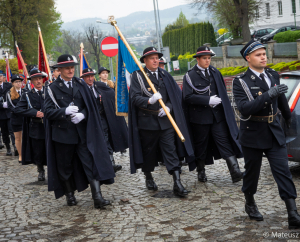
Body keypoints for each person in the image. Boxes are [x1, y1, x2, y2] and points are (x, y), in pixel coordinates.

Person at [232, 39, 300, 228]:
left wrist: (287, 118)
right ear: (248, 58)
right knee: (252, 174)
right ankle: (250, 202)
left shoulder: (272, 74)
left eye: (264, 54)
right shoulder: (240, 82)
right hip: (252, 133)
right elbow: (245, 109)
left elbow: (281, 101)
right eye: (258, 55)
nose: (263, 57)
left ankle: (292, 213)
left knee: (283, 171)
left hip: (274, 131)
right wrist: (268, 94)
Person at [44, 54, 115, 209]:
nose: (70, 70)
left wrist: (83, 114)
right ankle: (69, 194)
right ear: (60, 69)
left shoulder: (80, 84)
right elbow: (48, 111)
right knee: (65, 166)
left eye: (72, 67)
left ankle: (97, 197)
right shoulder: (51, 88)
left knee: (90, 163)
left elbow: (91, 106)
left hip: (82, 133)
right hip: (63, 134)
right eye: (67, 68)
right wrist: (65, 111)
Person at [129, 47, 195, 197]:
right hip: (147, 122)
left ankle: (177, 183)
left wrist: (169, 108)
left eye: (157, 57)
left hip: (166, 121)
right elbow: (134, 98)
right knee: (148, 152)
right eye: (151, 58)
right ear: (144, 61)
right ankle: (148, 176)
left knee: (171, 151)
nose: (155, 60)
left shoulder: (165, 75)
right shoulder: (138, 76)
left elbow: (174, 96)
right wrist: (149, 100)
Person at [182, 46, 243, 183]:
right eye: (204, 58)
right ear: (197, 59)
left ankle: (235, 171)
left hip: (217, 117)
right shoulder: (190, 75)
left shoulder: (215, 72)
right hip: (199, 118)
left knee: (224, 142)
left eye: (209, 58)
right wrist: (207, 100)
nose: (207, 61)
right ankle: (201, 171)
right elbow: (187, 97)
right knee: (201, 146)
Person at [81, 68, 128, 172]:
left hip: (102, 118)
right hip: (88, 120)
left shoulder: (99, 86)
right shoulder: (81, 89)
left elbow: (111, 94)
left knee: (105, 139)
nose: (90, 78)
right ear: (83, 78)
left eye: (91, 76)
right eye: (87, 77)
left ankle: (111, 163)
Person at [14, 69, 47, 181]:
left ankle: (52, 170)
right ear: (32, 81)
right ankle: (40, 170)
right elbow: (18, 109)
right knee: (38, 151)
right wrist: (34, 113)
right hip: (36, 127)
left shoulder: (49, 91)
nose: (38, 81)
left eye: (39, 78)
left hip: (49, 126)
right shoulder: (27, 95)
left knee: (50, 149)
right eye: (35, 79)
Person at [7, 75, 27, 162]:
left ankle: (27, 154)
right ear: (13, 83)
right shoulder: (9, 93)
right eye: (16, 82)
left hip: (25, 118)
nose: (18, 83)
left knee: (26, 137)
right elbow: (11, 106)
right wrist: (21, 111)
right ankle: (20, 155)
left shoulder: (26, 92)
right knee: (18, 138)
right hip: (16, 118)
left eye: (20, 81)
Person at [0, 71, 16, 156]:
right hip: (1, 114)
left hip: (9, 113)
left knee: (12, 130)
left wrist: (9, 103)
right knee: (4, 132)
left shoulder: (8, 85)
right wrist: (2, 105)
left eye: (1, 76)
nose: (0, 78)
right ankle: (8, 148)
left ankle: (15, 146)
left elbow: (14, 95)